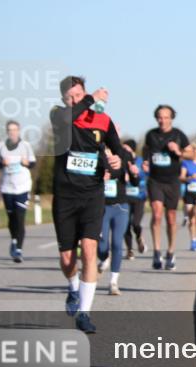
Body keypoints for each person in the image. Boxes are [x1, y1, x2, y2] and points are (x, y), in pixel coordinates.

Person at [50, 76, 132, 333]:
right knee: (67, 259)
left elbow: (119, 153)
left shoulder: (103, 121)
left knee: (89, 250)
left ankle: (84, 313)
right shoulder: (59, 116)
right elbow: (69, 117)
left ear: (84, 92)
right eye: (70, 98)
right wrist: (90, 99)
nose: (75, 101)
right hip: (65, 197)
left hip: (92, 195)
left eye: (79, 95)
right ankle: (73, 287)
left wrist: (118, 163)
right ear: (63, 100)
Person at [143, 104, 190, 271]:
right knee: (156, 214)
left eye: (166, 117)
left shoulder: (178, 135)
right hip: (155, 180)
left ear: (171, 118)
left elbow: (191, 153)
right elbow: (146, 150)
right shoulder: (151, 135)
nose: (162, 120)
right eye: (160, 117)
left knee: (171, 217)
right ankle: (156, 252)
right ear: (156, 118)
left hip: (172, 182)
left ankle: (170, 251)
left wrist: (178, 151)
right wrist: (146, 161)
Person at [0, 120, 37, 263]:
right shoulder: (0, 146)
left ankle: (18, 250)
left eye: (14, 130)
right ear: (7, 132)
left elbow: (33, 163)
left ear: (19, 131)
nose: (12, 132)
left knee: (20, 218)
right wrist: (2, 163)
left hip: (23, 187)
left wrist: (27, 163)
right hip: (7, 187)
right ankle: (14, 239)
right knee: (12, 218)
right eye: (10, 130)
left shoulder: (26, 146)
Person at [97, 141, 140, 295]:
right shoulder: (96, 155)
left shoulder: (123, 155)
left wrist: (135, 173)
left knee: (117, 242)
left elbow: (135, 182)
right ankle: (104, 258)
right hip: (101, 207)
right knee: (102, 244)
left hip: (121, 206)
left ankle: (113, 282)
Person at [121, 139, 148, 261]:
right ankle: (130, 250)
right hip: (124, 196)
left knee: (135, 223)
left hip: (139, 197)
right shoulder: (121, 160)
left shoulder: (141, 161)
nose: (123, 150)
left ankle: (139, 237)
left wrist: (137, 174)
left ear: (132, 149)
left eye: (126, 148)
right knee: (125, 224)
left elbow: (147, 175)